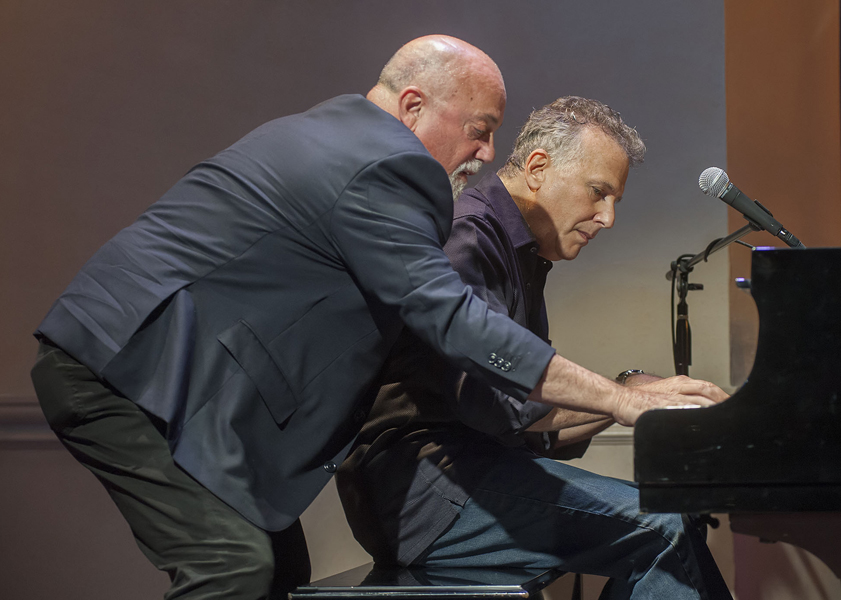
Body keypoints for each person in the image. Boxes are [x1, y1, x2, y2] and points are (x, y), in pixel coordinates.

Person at [30, 33, 727, 599]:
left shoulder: (345, 138)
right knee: (233, 569)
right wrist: (621, 400)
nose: (487, 153)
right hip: (119, 361)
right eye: (480, 130)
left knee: (275, 571)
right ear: (414, 105)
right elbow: (456, 324)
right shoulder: (391, 166)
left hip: (155, 365)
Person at [336, 97, 733, 599]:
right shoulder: (468, 237)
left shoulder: (521, 251)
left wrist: (629, 392)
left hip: (475, 473)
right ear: (539, 167)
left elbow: (530, 427)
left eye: (615, 201)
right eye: (598, 193)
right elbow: (504, 402)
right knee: (660, 530)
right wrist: (624, 398)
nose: (607, 218)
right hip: (424, 491)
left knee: (673, 522)